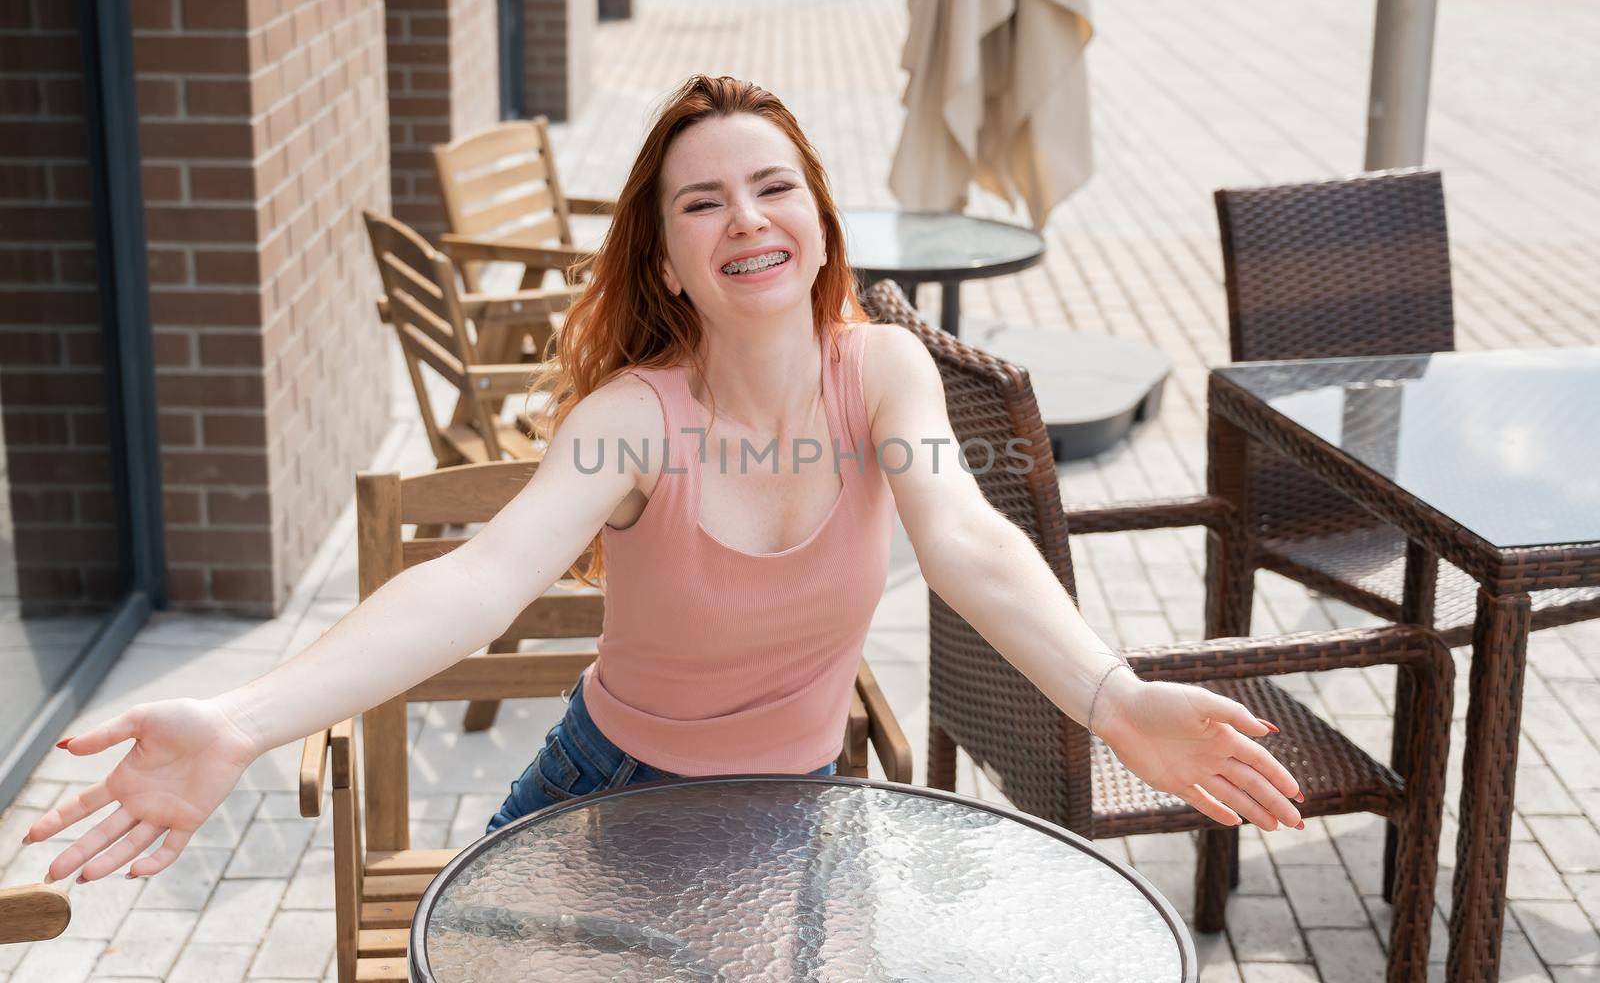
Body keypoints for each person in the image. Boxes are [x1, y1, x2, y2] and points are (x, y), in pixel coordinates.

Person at [25, 75, 1303, 885]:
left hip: (793, 812)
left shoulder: (885, 374)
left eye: (772, 186)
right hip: (604, 804)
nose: (745, 217)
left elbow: (963, 538)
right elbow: (473, 585)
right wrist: (245, 719)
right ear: (671, 261)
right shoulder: (632, 421)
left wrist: (1111, 693)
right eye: (703, 203)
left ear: (816, 227)